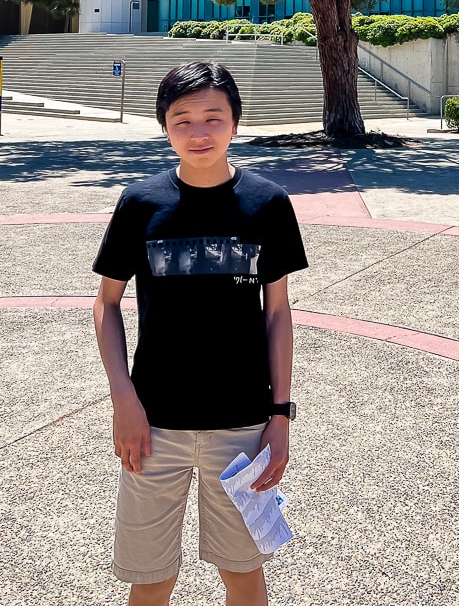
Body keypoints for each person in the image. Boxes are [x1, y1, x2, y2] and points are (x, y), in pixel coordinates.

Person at [92, 61, 308, 606]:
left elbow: (277, 312)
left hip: (242, 426)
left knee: (242, 572)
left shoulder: (268, 203)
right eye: (181, 119)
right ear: (165, 127)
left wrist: (280, 414)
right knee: (151, 578)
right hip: (153, 425)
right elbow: (107, 304)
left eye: (213, 117)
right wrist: (124, 400)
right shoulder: (141, 203)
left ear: (236, 122)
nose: (199, 132)